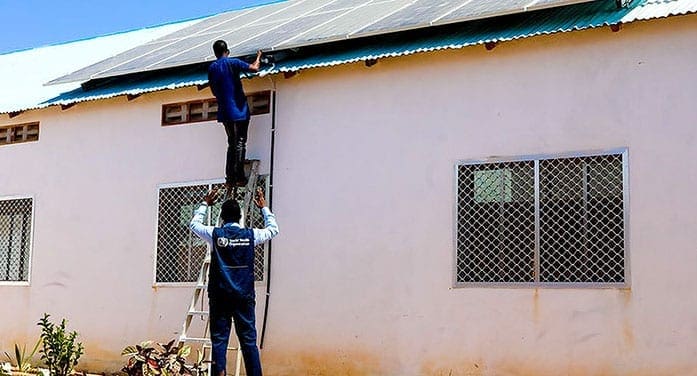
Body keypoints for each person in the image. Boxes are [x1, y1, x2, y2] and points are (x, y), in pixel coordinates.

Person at [189, 187, 279, 376]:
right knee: (248, 342)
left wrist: (205, 203)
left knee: (219, 340)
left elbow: (194, 225)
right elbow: (273, 230)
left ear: (222, 217)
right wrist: (264, 208)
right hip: (244, 296)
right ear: (239, 217)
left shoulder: (215, 234)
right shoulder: (251, 235)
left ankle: (220, 372)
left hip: (220, 295)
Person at [208, 40, 263, 190]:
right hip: (239, 110)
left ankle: (230, 177)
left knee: (231, 143)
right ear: (227, 51)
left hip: (224, 111)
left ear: (215, 53)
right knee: (240, 142)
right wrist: (258, 56)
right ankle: (239, 177)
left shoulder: (212, 68)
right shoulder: (233, 63)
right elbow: (254, 68)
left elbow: (213, 89)